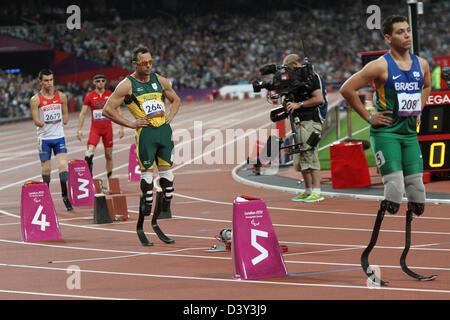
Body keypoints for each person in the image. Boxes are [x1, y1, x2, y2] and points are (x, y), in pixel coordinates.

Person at [339, 15, 434, 284]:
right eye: (401, 32)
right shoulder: (379, 67)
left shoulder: (422, 64)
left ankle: (405, 256)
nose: (407, 35)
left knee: (418, 196)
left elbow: (427, 85)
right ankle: (370, 255)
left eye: (408, 31)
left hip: (409, 134)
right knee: (394, 193)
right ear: (388, 38)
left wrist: (420, 107)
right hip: (386, 134)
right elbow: (347, 89)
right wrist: (369, 117)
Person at [102, 46, 181, 244]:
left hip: (164, 132)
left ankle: (158, 216)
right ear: (135, 64)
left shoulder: (159, 79)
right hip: (146, 135)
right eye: (144, 63)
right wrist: (130, 124)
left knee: (168, 182)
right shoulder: (126, 85)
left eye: (150, 62)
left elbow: (176, 99)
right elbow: (107, 110)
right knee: (147, 184)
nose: (148, 66)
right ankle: (143, 218)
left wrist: (170, 116)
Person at [283, 54, 325, 203]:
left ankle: (318, 191)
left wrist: (298, 104)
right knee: (300, 158)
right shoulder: (291, 81)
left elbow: (319, 99)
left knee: (310, 154)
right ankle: (307, 191)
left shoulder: (310, 76)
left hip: (310, 120)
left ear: (295, 64)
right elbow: (288, 103)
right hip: (297, 122)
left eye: (289, 69)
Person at [30, 69, 73, 211]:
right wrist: (40, 123)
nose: (49, 83)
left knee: (63, 166)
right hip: (44, 139)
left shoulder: (61, 96)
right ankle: (46, 197)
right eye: (46, 80)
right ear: (40, 82)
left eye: (51, 80)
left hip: (59, 137)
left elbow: (66, 113)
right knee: (46, 169)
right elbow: (36, 119)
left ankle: (65, 196)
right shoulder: (35, 100)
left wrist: (65, 119)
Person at [76, 74, 124, 178]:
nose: (100, 83)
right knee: (89, 152)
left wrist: (121, 127)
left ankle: (110, 178)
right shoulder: (89, 96)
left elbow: (118, 111)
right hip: (95, 130)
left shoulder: (110, 95)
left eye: (102, 80)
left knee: (109, 155)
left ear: (105, 82)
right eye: (98, 81)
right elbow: (83, 113)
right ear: (94, 82)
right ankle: (89, 176)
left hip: (107, 129)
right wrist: (79, 129)